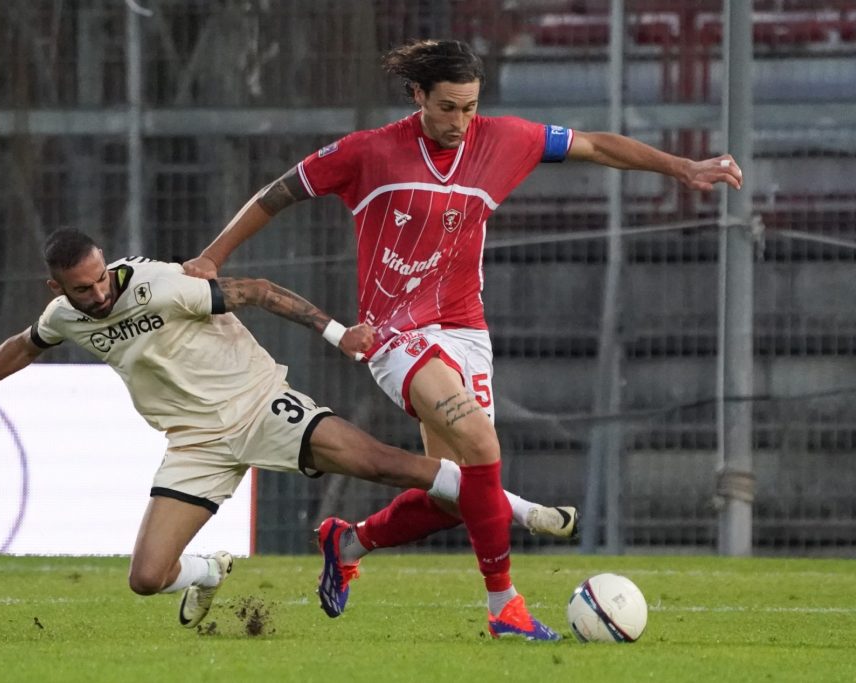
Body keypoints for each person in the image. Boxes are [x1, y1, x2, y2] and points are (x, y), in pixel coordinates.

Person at [183, 39, 744, 640]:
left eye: (469, 108)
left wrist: (682, 168)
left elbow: (595, 145)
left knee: (455, 494)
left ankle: (348, 542)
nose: (459, 122)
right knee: (480, 442)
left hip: (466, 329)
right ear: (418, 96)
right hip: (394, 334)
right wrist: (213, 256)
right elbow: (278, 192)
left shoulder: (503, 140)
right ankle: (505, 606)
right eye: (447, 107)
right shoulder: (369, 152)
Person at [0, 228, 574, 632]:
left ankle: (522, 508)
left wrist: (338, 333)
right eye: (81, 289)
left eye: (99, 281)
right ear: (57, 288)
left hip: (261, 407)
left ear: (107, 264)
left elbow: (259, 291)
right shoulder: (65, 316)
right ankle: (210, 571)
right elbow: (23, 344)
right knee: (145, 577)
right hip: (194, 446)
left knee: (388, 463)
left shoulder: (161, 284)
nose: (96, 295)